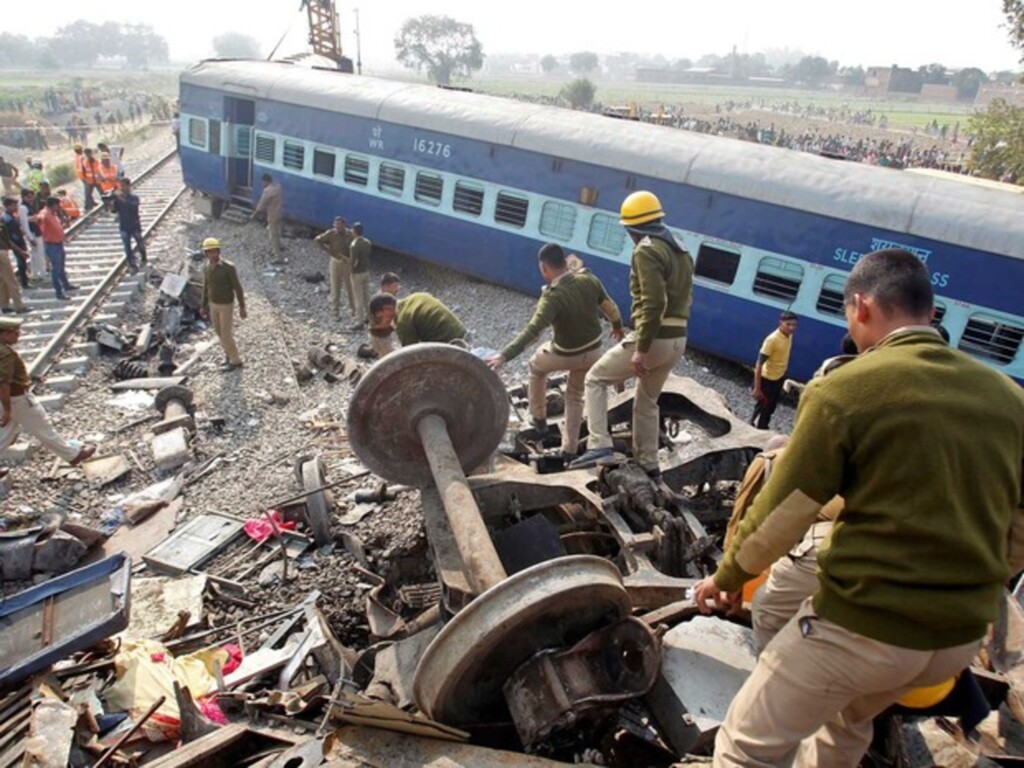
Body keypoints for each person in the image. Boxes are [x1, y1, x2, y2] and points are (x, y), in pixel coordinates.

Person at [692, 248, 1024, 767]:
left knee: (744, 747)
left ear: (861, 307)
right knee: (846, 720)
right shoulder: (1008, 398)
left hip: (868, 628)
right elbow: (1020, 525)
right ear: (929, 314)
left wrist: (728, 574)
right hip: (956, 639)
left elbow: (787, 509)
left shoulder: (847, 388)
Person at [569, 190, 694, 479]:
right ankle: (649, 465)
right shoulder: (681, 250)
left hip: (655, 339)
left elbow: (654, 303)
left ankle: (599, 443)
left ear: (632, 228)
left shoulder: (647, 250)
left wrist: (641, 348)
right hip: (678, 340)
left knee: (596, 378)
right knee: (647, 402)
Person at [488, 243, 624, 459]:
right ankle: (569, 450)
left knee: (536, 366)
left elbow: (533, 332)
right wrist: (617, 327)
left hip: (565, 354)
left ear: (544, 268)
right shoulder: (589, 279)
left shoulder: (552, 296)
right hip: (594, 352)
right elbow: (611, 308)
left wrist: (504, 355)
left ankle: (538, 417)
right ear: (564, 262)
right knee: (575, 396)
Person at [0, 317, 95, 475]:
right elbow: (3, 382)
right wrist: (8, 409)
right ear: (3, 334)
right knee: (43, 428)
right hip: (17, 400)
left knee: (6, 433)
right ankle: (73, 455)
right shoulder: (5, 354)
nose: (19, 336)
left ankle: (72, 453)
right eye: (15, 333)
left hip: (9, 400)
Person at [199, 238, 246, 372]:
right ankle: (228, 354)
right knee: (219, 332)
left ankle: (235, 361)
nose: (213, 255)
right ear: (206, 254)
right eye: (209, 252)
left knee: (226, 334)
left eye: (215, 251)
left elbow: (238, 287)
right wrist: (203, 305)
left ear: (218, 251)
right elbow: (206, 287)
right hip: (213, 304)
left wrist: (242, 307)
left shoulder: (228, 267)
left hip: (226, 304)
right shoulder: (207, 268)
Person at [751, 310, 798, 430]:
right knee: (763, 409)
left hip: (778, 378)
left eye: (794, 325)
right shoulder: (772, 340)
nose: (791, 328)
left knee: (770, 407)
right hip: (767, 380)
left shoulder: (789, 336)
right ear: (780, 323)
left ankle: (762, 427)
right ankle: (756, 429)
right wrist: (757, 388)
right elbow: (759, 364)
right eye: (788, 324)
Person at [368, 292, 467, 348]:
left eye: (380, 317)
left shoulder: (403, 321)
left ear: (387, 309)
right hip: (462, 332)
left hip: (453, 345)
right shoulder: (415, 297)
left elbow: (410, 355)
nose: (382, 321)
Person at [313, 216, 354, 320]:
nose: (337, 227)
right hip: (335, 262)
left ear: (344, 225)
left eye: (339, 225)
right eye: (336, 225)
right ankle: (335, 312)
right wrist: (327, 250)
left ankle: (353, 311)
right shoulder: (331, 233)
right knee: (335, 288)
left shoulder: (350, 234)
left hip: (347, 263)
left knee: (350, 288)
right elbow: (318, 240)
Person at [37, 197, 77, 301]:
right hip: (52, 245)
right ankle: (59, 292)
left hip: (58, 244)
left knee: (61, 266)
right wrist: (37, 219)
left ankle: (66, 285)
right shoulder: (45, 213)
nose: (59, 207)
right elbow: (40, 218)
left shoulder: (53, 214)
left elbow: (55, 228)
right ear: (53, 205)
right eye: (58, 205)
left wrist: (64, 225)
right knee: (56, 269)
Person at [110, 178, 145, 274]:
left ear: (129, 186)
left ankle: (144, 258)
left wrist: (120, 198)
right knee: (127, 247)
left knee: (140, 243)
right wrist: (112, 203)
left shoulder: (134, 198)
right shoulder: (118, 199)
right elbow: (114, 211)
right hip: (124, 226)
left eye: (124, 186)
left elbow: (133, 207)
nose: (122, 188)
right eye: (121, 186)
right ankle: (132, 265)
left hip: (134, 224)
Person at [251, 173, 283, 262]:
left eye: (263, 182)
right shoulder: (278, 187)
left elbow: (261, 205)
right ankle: (280, 247)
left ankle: (278, 257)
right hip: (279, 213)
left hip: (272, 215)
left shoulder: (268, 191)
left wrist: (254, 214)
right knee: (277, 232)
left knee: (273, 236)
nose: (263, 184)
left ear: (266, 181)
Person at [0, 213, 27, 314]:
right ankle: (19, 306)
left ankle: (4, 305)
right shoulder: (1, 225)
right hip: (2, 253)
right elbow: (9, 242)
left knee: (2, 280)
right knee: (11, 280)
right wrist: (20, 251)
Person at [3, 197, 31, 291]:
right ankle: (24, 283)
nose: (16, 207)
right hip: (15, 244)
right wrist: (19, 249)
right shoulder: (6, 219)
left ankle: (25, 281)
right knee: (21, 263)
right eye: (14, 205)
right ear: (8, 206)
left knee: (23, 262)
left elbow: (18, 230)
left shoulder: (12, 216)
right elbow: (8, 236)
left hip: (19, 242)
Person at [348, 222, 372, 329]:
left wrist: (351, 269)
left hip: (357, 273)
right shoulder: (367, 242)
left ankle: (359, 322)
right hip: (366, 271)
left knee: (358, 298)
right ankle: (370, 317)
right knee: (367, 296)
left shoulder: (354, 245)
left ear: (355, 231)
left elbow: (354, 261)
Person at [75, 145, 98, 210]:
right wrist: (84, 178)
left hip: (83, 176)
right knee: (88, 191)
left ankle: (91, 202)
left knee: (88, 191)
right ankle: (87, 204)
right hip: (86, 177)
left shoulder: (77, 157)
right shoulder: (82, 158)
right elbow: (83, 168)